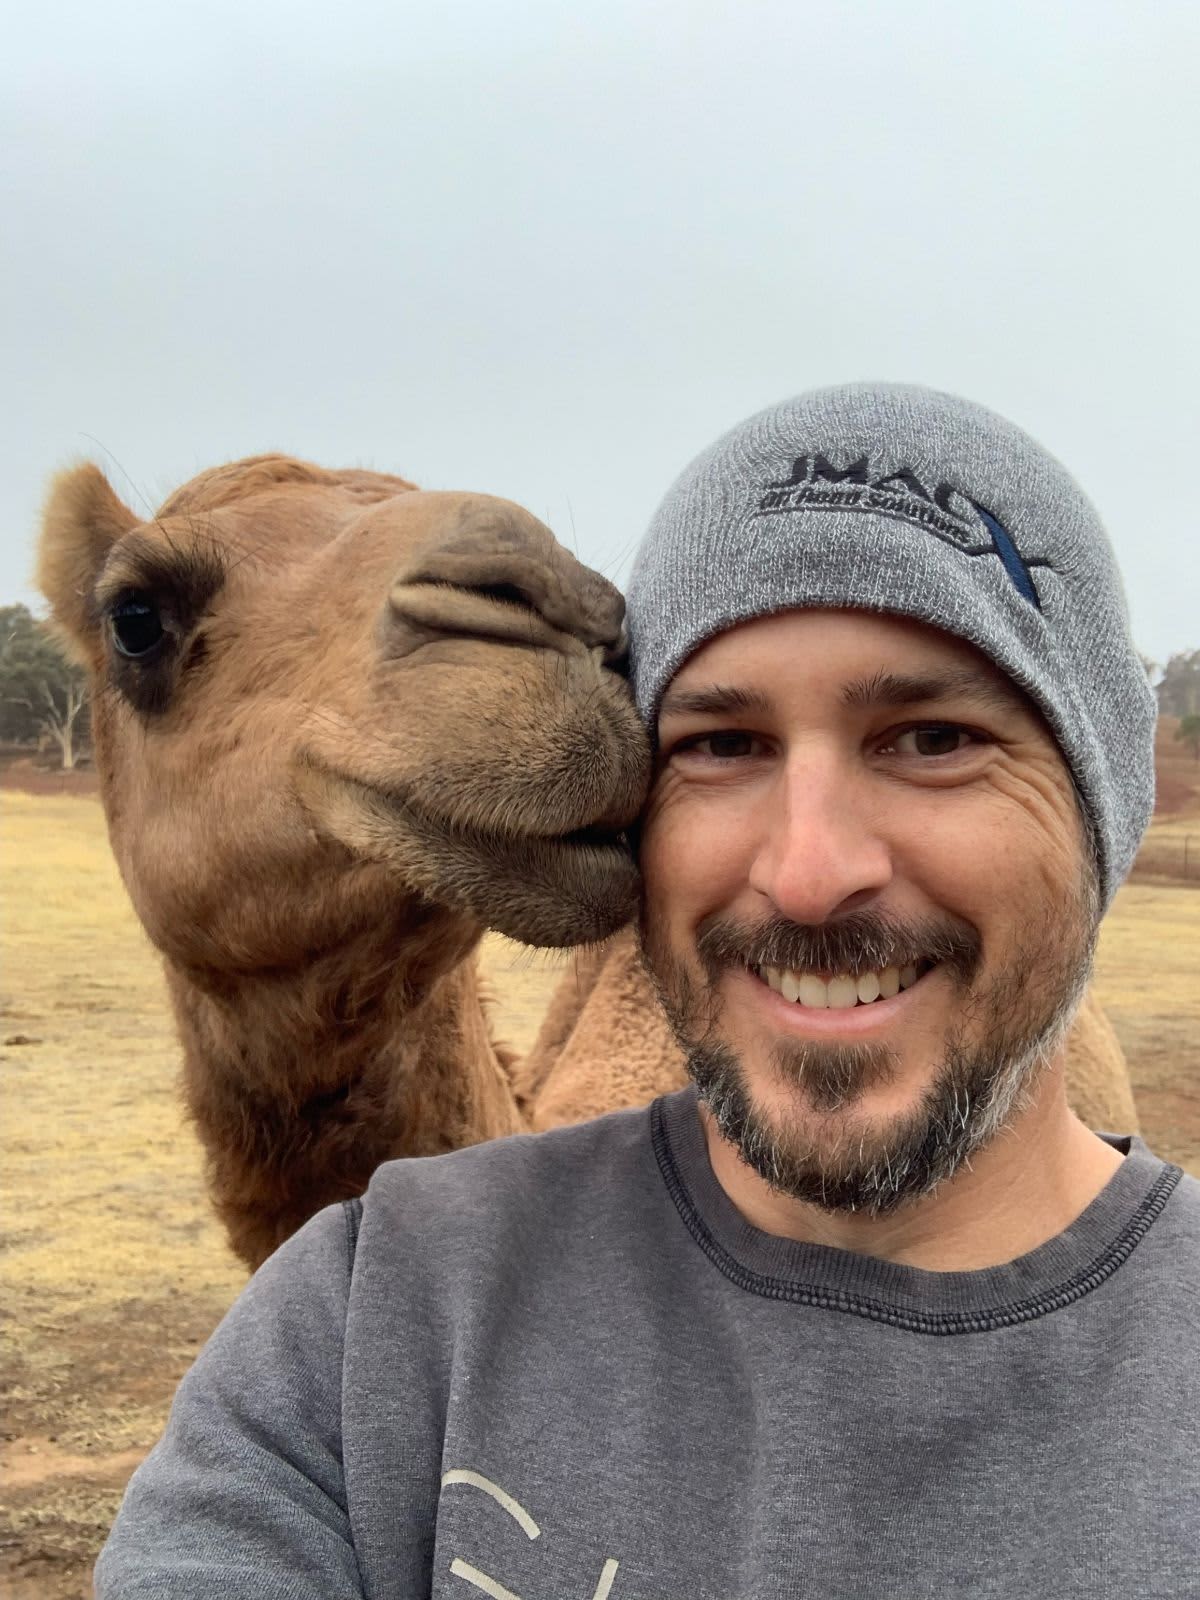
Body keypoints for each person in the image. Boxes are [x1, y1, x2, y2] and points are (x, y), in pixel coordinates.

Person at [95, 385, 1198, 1598]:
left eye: (934, 736)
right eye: (717, 744)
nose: (811, 871)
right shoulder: (363, 1324)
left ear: (1099, 811)